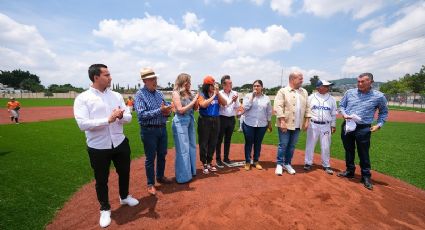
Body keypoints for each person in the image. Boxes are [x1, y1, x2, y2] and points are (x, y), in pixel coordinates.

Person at [73, 64, 139, 228]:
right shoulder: (83, 98)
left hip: (119, 141)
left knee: (124, 172)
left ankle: (124, 196)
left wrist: (121, 116)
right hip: (98, 146)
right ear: (96, 77)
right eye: (107, 75)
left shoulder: (116, 96)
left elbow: (129, 117)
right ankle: (105, 208)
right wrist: (107, 120)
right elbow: (82, 124)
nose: (110, 78)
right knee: (101, 179)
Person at [337, 73, 388, 190]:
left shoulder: (379, 96)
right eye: (358, 81)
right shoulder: (349, 93)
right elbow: (341, 105)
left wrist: (379, 125)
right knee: (348, 149)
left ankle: (365, 176)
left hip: (364, 128)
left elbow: (384, 112)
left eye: (363, 81)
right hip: (348, 125)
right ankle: (350, 170)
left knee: (363, 152)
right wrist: (344, 114)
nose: (360, 84)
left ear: (371, 82)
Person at [134, 67, 173, 196]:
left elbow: (166, 108)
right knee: (150, 158)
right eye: (152, 79)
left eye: (155, 78)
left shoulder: (159, 93)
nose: (155, 81)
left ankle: (160, 176)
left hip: (162, 128)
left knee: (162, 154)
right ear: (145, 81)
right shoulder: (140, 95)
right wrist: (160, 111)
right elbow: (142, 115)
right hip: (149, 130)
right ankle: (150, 183)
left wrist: (168, 111)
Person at [274, 71, 311, 175]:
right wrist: (282, 121)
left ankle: (287, 163)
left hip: (298, 124)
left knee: (292, 145)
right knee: (283, 144)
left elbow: (308, 107)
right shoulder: (283, 91)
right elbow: (278, 106)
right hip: (285, 123)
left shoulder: (304, 92)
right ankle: (279, 164)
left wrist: (307, 121)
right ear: (292, 79)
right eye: (300, 78)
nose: (302, 80)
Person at [304, 79, 337, 175]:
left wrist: (333, 125)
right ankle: (308, 162)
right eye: (325, 86)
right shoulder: (311, 98)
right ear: (319, 87)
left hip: (326, 125)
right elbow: (307, 111)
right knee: (310, 144)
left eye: (328, 86)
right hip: (313, 124)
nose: (328, 87)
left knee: (326, 146)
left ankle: (326, 164)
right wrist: (306, 122)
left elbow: (334, 113)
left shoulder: (332, 99)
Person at [171, 73, 199, 183]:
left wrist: (196, 101)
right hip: (181, 122)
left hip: (190, 120)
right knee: (183, 149)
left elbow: (195, 108)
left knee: (192, 146)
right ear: (183, 82)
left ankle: (192, 171)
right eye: (188, 82)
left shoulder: (189, 93)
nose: (190, 84)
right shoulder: (175, 93)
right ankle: (183, 177)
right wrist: (193, 100)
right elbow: (180, 110)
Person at [197, 75, 226, 174]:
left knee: (213, 142)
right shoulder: (201, 94)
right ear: (206, 85)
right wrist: (214, 96)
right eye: (211, 85)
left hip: (216, 119)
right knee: (204, 142)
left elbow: (225, 103)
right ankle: (204, 163)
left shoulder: (216, 94)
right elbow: (203, 104)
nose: (213, 86)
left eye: (214, 84)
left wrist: (218, 94)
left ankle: (209, 162)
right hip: (204, 120)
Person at [242, 80, 272, 171]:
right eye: (254, 86)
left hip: (262, 124)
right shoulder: (247, 96)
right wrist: (252, 97)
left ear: (262, 87)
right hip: (249, 123)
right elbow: (245, 107)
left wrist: (269, 123)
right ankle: (248, 161)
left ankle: (256, 161)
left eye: (258, 86)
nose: (256, 87)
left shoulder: (266, 98)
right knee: (248, 143)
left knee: (258, 143)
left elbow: (269, 111)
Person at [215, 75, 240, 168]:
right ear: (223, 85)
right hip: (221, 118)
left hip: (231, 119)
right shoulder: (219, 93)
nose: (231, 84)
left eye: (231, 83)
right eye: (229, 83)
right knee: (219, 139)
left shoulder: (235, 93)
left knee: (228, 139)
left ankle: (226, 158)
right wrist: (232, 101)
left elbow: (237, 106)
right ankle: (218, 159)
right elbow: (222, 105)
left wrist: (236, 103)